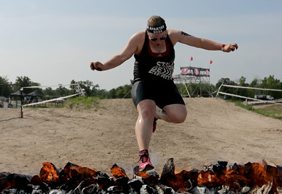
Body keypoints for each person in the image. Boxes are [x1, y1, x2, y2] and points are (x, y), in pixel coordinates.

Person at [90, 15, 238, 172]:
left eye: (161, 37)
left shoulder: (174, 35)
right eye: (154, 39)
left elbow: (199, 42)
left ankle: (156, 115)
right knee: (146, 111)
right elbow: (121, 57)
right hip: (144, 83)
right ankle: (144, 157)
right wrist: (103, 66)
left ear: (166, 33)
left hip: (165, 85)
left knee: (180, 116)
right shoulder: (138, 39)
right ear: (148, 34)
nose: (158, 42)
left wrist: (222, 46)